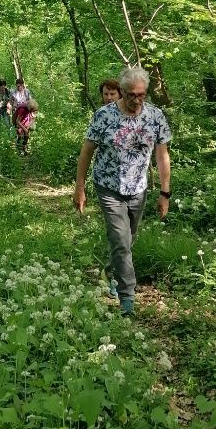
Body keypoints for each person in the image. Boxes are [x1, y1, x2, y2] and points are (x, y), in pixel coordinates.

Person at [73, 67, 171, 316]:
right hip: (109, 187)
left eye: (142, 95)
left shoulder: (155, 116)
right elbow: (87, 152)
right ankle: (127, 298)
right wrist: (80, 187)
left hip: (138, 188)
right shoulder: (104, 116)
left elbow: (162, 156)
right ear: (122, 92)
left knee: (128, 240)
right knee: (120, 241)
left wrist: (165, 192)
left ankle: (112, 271)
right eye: (131, 95)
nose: (137, 100)